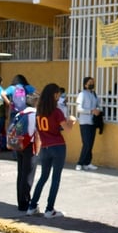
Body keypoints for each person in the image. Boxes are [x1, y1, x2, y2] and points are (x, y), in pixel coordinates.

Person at [27, 83, 76, 218]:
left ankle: (32, 207)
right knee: (55, 179)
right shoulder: (57, 112)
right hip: (58, 146)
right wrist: (72, 120)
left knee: (43, 177)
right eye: (58, 94)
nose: (59, 96)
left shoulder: (39, 112)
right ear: (54, 95)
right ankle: (49, 210)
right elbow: (67, 129)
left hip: (45, 148)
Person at [12, 92, 39, 212]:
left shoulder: (20, 113)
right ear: (36, 103)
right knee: (28, 175)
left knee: (21, 173)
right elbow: (36, 133)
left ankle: (20, 202)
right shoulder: (35, 115)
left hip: (20, 145)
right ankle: (25, 203)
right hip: (30, 146)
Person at [74, 76, 102, 171]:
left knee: (90, 144)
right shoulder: (82, 94)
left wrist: (98, 110)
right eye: (90, 82)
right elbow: (79, 109)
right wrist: (91, 111)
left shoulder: (94, 94)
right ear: (85, 84)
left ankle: (87, 163)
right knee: (86, 143)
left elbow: (98, 105)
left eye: (93, 82)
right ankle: (79, 163)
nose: (92, 84)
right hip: (84, 122)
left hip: (92, 122)